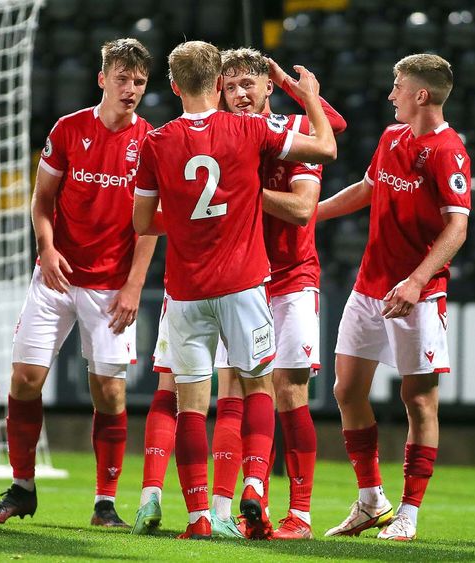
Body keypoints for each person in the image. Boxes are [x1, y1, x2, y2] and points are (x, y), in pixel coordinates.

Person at [132, 40, 336, 540]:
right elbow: (328, 146)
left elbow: (141, 221)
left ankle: (200, 516)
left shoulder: (156, 142)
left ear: (174, 85)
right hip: (246, 284)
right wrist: (308, 95)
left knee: (190, 402)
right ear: (218, 85)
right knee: (258, 387)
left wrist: (183, 220)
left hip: (185, 289)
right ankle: (252, 486)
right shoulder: (250, 129)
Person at [0, 38, 157, 529]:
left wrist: (132, 287)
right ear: (102, 79)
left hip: (110, 286)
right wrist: (46, 247)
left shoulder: (150, 142)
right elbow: (41, 202)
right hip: (55, 277)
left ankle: (104, 504)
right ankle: (22, 488)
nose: (130, 89)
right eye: (122, 78)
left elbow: (151, 224)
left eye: (139, 82)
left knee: (110, 394)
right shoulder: (67, 129)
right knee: (25, 379)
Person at [316, 53, 470, 542]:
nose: (391, 94)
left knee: (419, 401)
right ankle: (370, 501)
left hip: (417, 294)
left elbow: (458, 226)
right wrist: (310, 215)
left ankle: (409, 512)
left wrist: (418, 281)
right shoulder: (390, 137)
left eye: (397, 86)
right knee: (346, 390)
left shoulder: (449, 151)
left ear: (420, 95)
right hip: (369, 286)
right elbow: (368, 187)